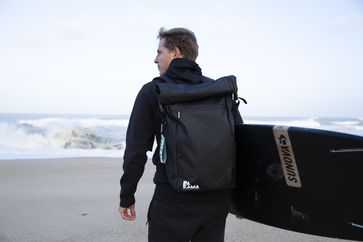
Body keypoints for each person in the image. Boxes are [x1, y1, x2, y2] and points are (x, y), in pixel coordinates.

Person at [119, 27, 242, 242]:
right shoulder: (217, 90)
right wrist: (242, 199)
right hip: (216, 200)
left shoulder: (153, 91)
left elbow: (136, 150)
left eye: (159, 52)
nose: (155, 59)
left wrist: (127, 195)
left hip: (172, 199)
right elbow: (239, 144)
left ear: (176, 52)